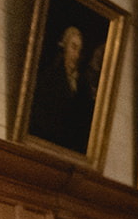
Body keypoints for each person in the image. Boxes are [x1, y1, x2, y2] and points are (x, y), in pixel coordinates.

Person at [29, 25, 95, 154]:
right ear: (63, 47)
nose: (76, 55)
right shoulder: (49, 77)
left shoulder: (82, 85)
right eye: (73, 48)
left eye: (79, 50)